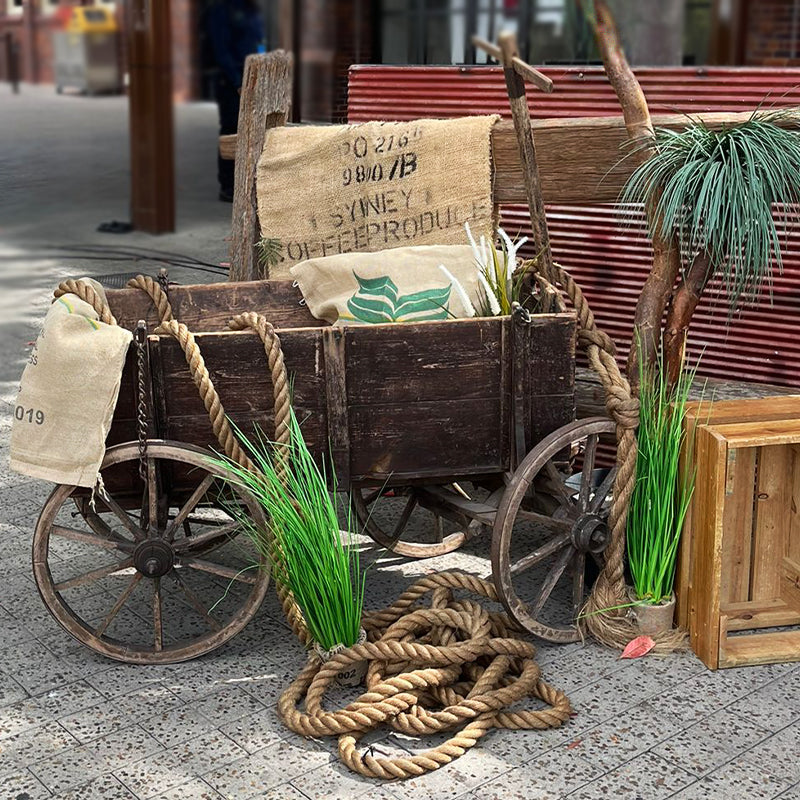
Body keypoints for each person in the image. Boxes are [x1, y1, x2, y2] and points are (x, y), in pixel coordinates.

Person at [206, 0, 264, 202]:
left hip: (253, 78)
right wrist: (238, 82)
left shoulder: (252, 10)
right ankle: (228, 185)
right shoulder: (222, 11)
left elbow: (258, 44)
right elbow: (222, 52)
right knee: (231, 130)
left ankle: (247, 182)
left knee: (252, 130)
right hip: (231, 82)